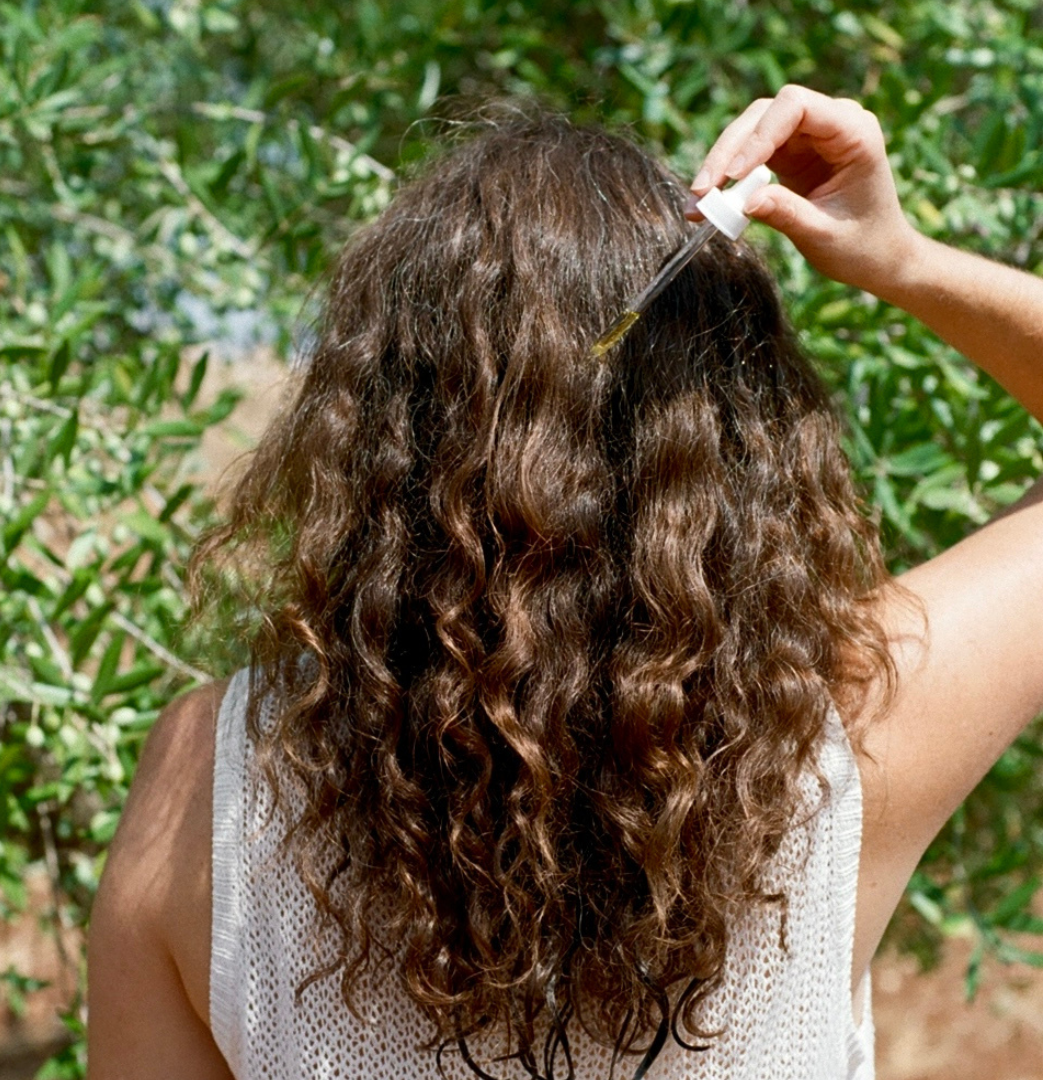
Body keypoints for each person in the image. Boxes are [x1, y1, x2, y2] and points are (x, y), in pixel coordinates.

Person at [87, 86, 1043, 1079]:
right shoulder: (852, 721)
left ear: (375, 434)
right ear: (734, 441)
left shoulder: (211, 777)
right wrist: (905, 262)